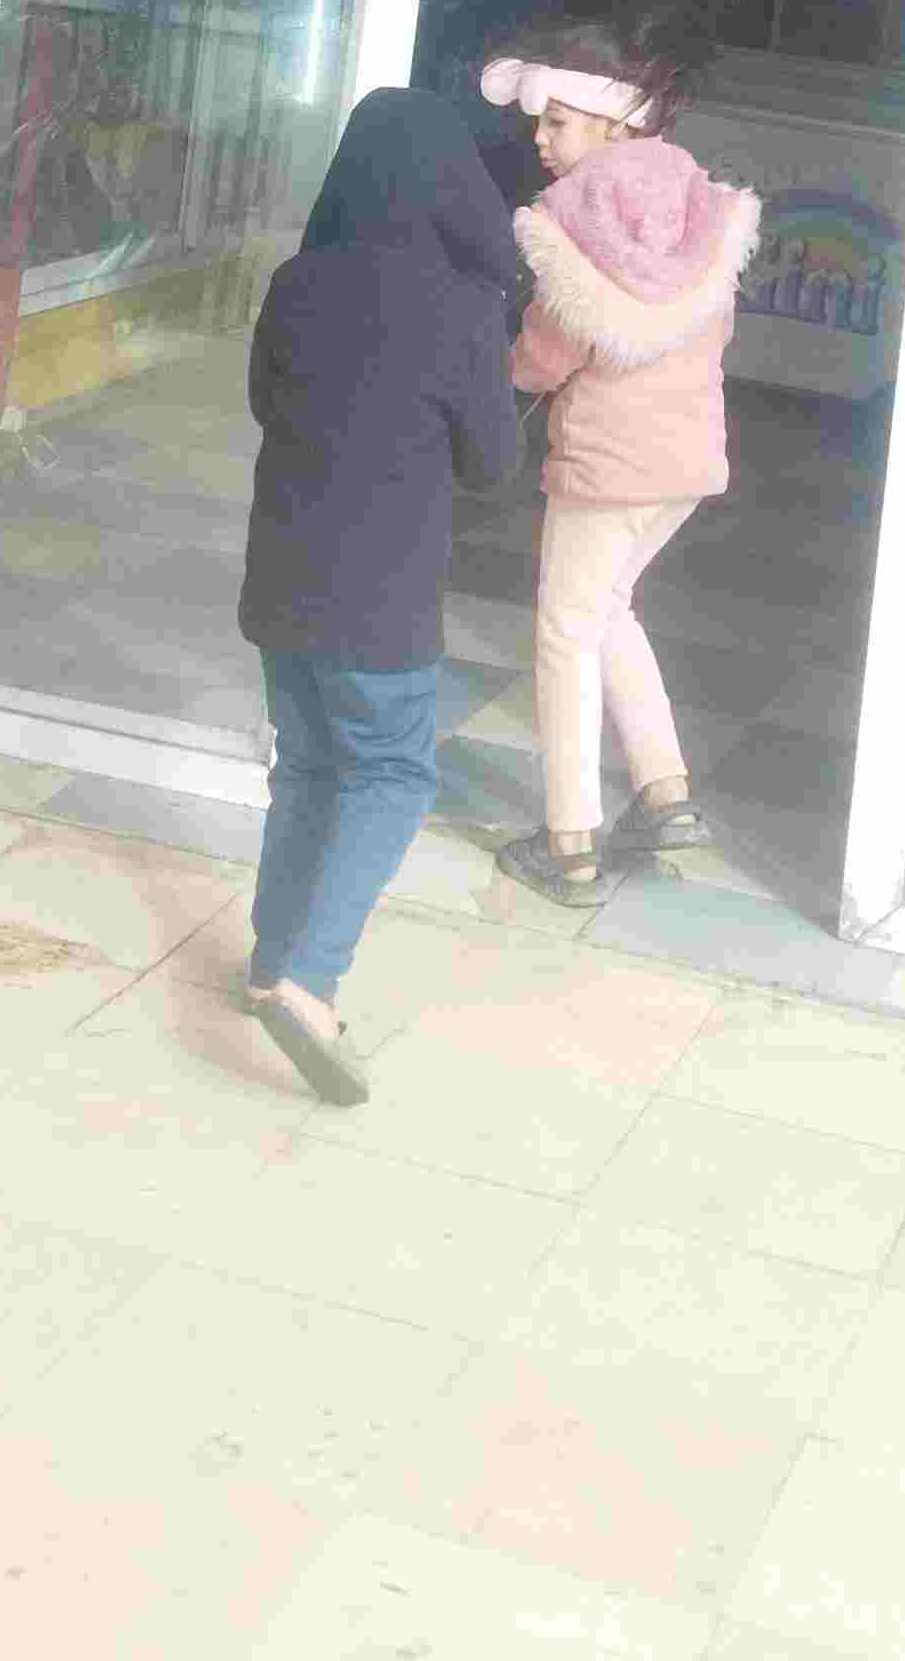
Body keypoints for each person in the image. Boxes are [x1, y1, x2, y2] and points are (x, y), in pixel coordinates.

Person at [236, 87, 521, 1105]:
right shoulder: (460, 307)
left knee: (309, 766)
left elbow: (265, 402)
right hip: (381, 595)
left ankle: (269, 964)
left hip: (281, 579)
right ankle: (311, 985)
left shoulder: (298, 283)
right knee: (392, 773)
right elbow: (493, 465)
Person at [478, 18, 761, 908]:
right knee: (608, 609)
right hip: (687, 457)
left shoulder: (574, 220)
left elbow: (546, 355)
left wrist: (501, 373)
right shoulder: (703, 208)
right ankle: (665, 795)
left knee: (564, 633)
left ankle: (569, 844)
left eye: (556, 121)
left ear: (610, 122)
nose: (541, 139)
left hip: (609, 462)